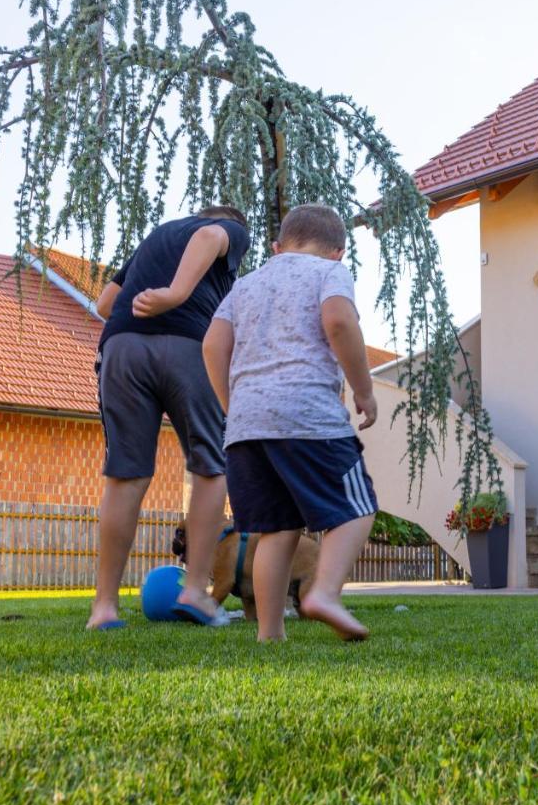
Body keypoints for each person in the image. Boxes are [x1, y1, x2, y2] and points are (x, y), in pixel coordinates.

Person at [202, 203, 377, 642]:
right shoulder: (329, 273)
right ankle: (326, 594)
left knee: (275, 528)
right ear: (338, 251)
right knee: (358, 507)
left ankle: (269, 633)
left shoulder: (244, 285)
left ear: (277, 247)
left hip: (245, 427)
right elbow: (338, 321)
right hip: (307, 415)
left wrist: (233, 405)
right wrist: (363, 390)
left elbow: (212, 345)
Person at [86, 206, 251, 630]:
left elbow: (106, 302)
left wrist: (145, 311)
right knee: (210, 466)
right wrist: (176, 297)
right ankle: (195, 592)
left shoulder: (156, 237)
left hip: (121, 346)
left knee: (126, 475)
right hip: (188, 346)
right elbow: (211, 238)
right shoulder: (228, 227)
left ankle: (104, 608)